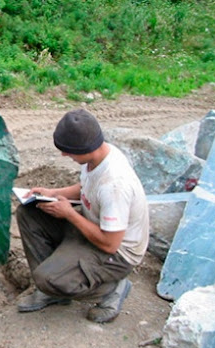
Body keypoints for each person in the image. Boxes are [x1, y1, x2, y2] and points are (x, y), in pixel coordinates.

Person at [15, 108, 149, 323]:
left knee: (45, 278)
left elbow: (109, 244)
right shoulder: (100, 156)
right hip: (93, 227)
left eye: (68, 151)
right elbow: (85, 186)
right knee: (29, 213)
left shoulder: (115, 185)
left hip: (117, 254)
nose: (64, 155)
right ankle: (53, 291)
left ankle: (110, 290)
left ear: (85, 148)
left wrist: (69, 214)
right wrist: (52, 193)